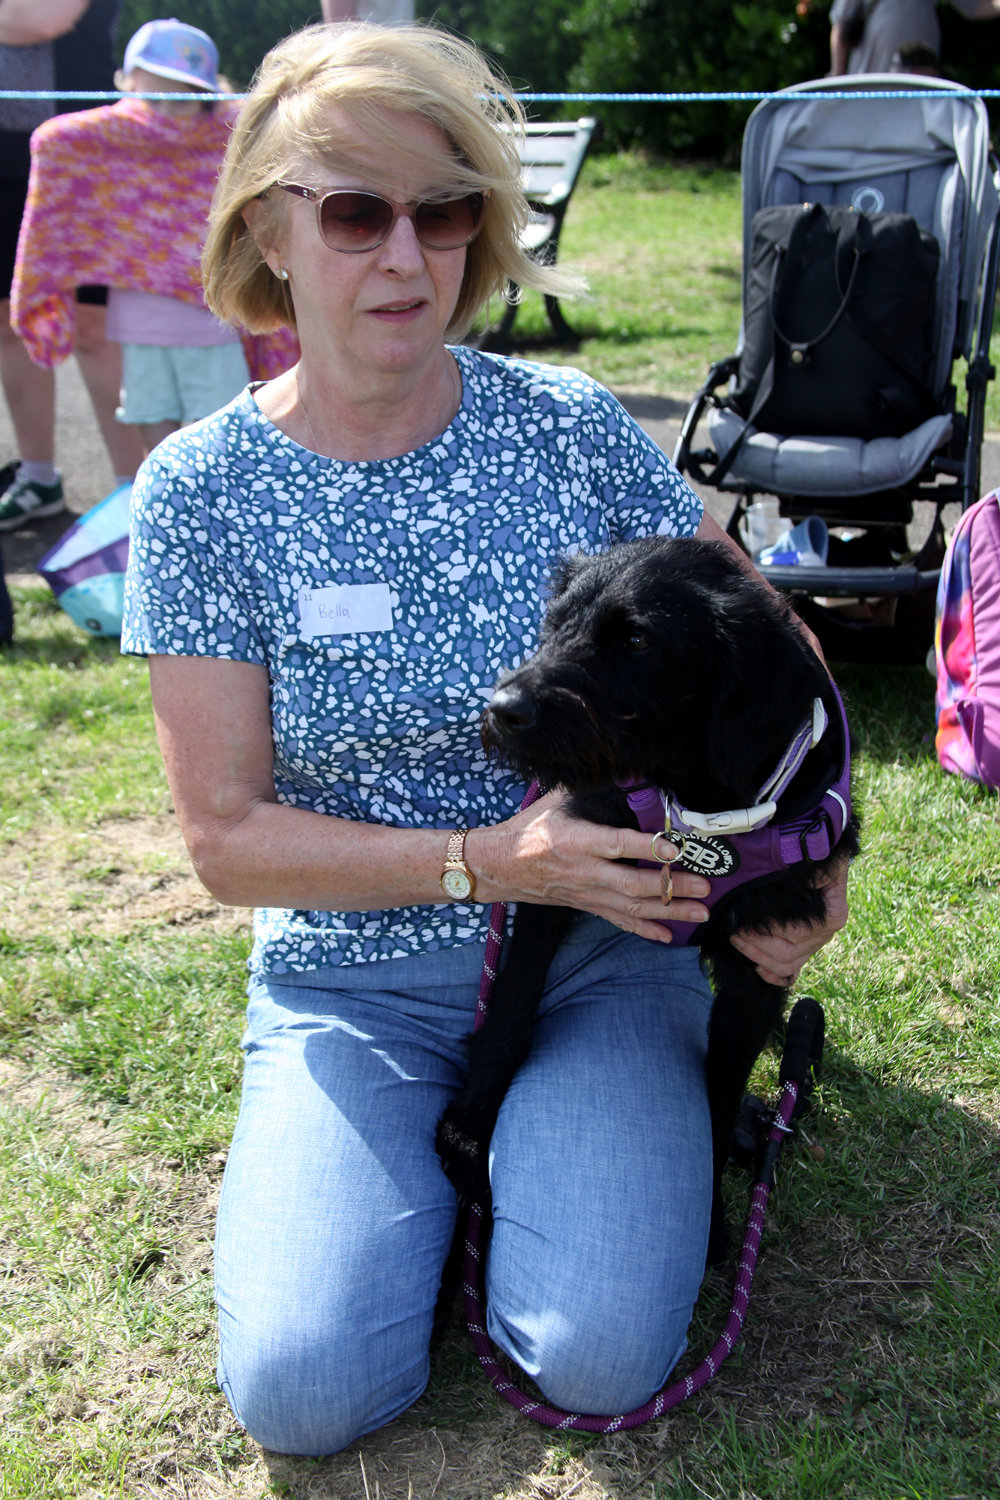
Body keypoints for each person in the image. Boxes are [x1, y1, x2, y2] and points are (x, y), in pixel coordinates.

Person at [121, 21, 851, 1456]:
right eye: (354, 211)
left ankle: (545, 1158)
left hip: (610, 956)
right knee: (307, 1391)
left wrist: (808, 862)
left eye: (445, 209)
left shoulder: (567, 425)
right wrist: (487, 860)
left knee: (598, 1358)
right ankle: (431, 1175)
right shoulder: (200, 493)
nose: (407, 256)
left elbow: (781, 649)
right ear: (266, 225)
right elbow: (226, 841)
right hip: (353, 982)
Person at [10, 18, 296, 461]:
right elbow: (53, 142)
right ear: (128, 84)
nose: (168, 116)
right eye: (156, 97)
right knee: (153, 417)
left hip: (214, 323)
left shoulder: (231, 139)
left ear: (206, 92)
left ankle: (220, 498)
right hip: (141, 323)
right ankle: (155, 490)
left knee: (224, 424)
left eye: (182, 98)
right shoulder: (105, 142)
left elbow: (277, 130)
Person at [0, 0, 144, 532]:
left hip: (83, 156)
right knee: (9, 320)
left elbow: (43, 19)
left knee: (95, 328)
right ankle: (38, 477)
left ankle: (135, 496)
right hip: (6, 157)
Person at [829, 0, 1000, 75]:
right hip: (874, 71)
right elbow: (840, 23)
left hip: (922, 71)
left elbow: (976, 8)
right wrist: (837, 71)